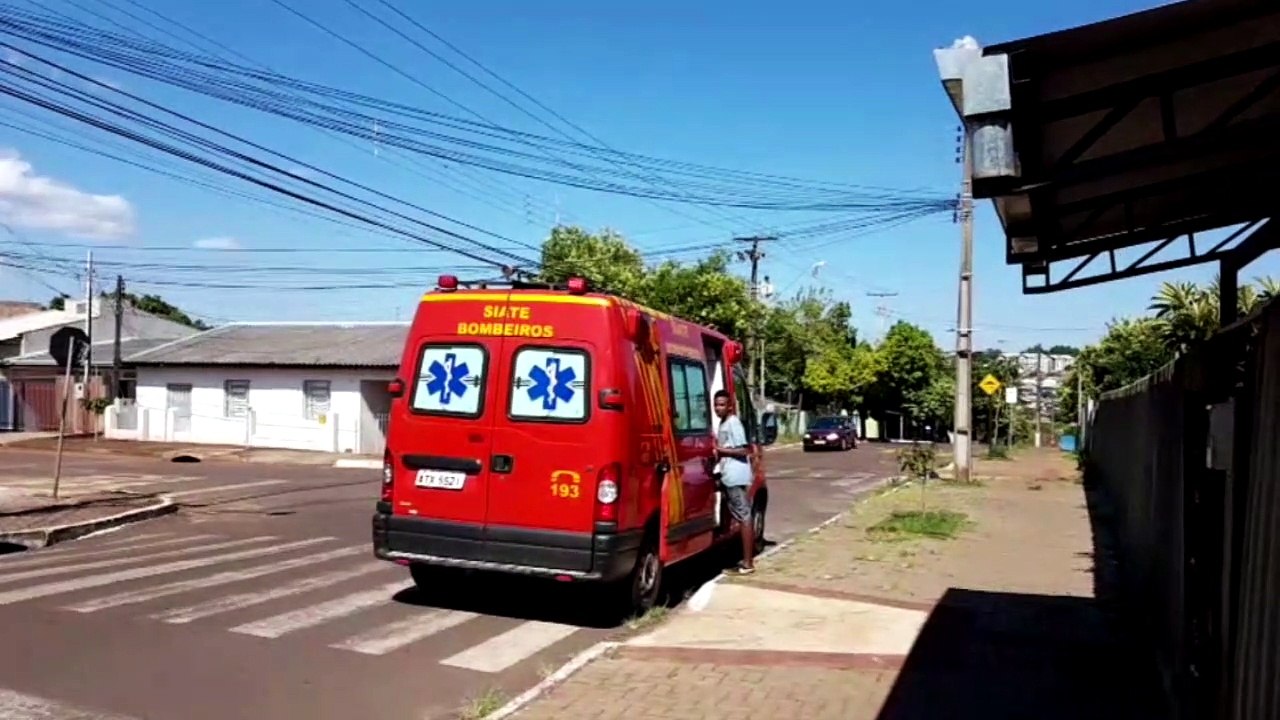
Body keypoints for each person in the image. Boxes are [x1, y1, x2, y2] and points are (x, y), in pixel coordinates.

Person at [713, 390, 755, 574]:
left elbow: (745, 450)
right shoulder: (723, 423)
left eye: (722, 404)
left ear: (730, 406)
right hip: (727, 475)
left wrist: (720, 450)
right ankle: (731, 556)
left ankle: (748, 564)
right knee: (730, 514)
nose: (718, 408)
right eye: (716, 404)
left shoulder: (733, 422)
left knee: (744, 517)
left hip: (736, 477)